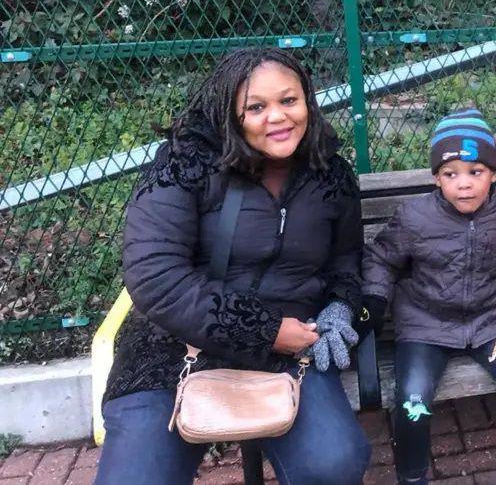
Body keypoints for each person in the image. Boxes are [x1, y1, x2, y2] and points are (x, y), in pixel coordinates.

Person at [95, 48, 371, 485]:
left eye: (289, 101)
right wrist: (267, 331)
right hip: (175, 344)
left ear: (308, 102)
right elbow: (156, 277)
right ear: (230, 113)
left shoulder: (329, 173)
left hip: (291, 349)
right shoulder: (186, 164)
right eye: (256, 107)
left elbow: (346, 260)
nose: (278, 117)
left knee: (333, 466)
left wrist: (339, 307)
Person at [363, 109, 496, 485]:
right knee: (413, 399)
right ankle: (412, 478)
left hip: (490, 320)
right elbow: (381, 257)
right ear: (436, 178)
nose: (463, 185)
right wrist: (374, 299)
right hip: (425, 325)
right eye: (451, 174)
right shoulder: (415, 217)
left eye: (475, 172)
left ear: (494, 173)